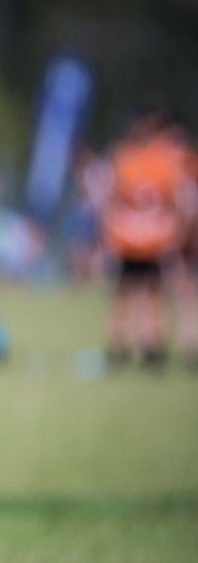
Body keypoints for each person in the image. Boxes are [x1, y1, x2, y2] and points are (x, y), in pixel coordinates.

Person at [99, 106, 196, 369]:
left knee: (129, 294)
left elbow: (110, 200)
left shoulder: (126, 159)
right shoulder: (162, 162)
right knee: (148, 294)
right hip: (150, 239)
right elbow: (179, 203)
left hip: (135, 239)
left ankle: (124, 349)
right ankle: (149, 349)